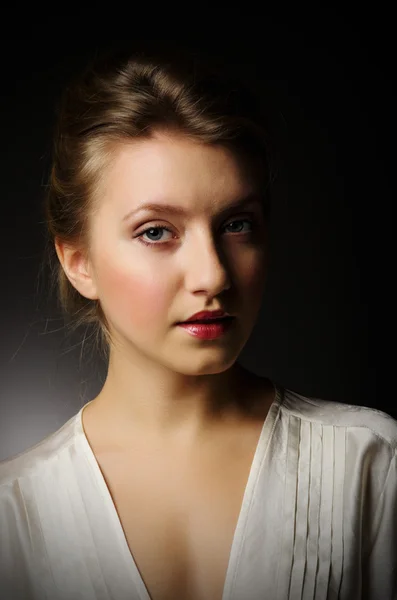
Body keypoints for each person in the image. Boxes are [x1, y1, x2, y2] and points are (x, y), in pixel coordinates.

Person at [0, 45, 395, 600]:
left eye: (236, 224)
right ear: (78, 262)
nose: (212, 275)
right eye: (156, 231)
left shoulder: (371, 464)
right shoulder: (12, 516)